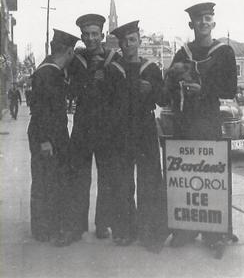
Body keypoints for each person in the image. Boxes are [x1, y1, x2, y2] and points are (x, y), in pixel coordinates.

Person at [165, 2, 237, 247]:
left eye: (208, 18)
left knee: (211, 177)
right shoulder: (183, 52)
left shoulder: (224, 52)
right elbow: (168, 86)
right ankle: (186, 230)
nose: (204, 23)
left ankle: (216, 232)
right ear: (191, 24)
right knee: (186, 175)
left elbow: (230, 89)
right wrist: (175, 81)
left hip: (208, 120)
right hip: (185, 120)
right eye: (199, 19)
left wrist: (203, 89)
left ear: (213, 23)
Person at [106, 20, 168, 251]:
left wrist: (151, 89)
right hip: (120, 129)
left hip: (144, 127)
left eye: (132, 39)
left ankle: (151, 233)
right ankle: (125, 230)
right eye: (124, 41)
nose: (128, 44)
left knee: (150, 179)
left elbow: (164, 98)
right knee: (122, 181)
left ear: (139, 41)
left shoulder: (151, 68)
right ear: (119, 44)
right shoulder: (113, 69)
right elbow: (106, 101)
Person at [68, 13, 118, 241]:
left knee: (107, 176)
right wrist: (91, 75)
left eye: (95, 34)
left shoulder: (113, 59)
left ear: (102, 35)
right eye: (86, 35)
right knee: (79, 176)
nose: (91, 39)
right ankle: (77, 224)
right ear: (81, 36)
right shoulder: (76, 61)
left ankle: (103, 223)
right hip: (83, 124)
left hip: (106, 126)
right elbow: (73, 90)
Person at [28, 29, 79, 245]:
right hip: (48, 136)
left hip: (48, 134)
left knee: (45, 181)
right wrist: (45, 140)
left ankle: (43, 228)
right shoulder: (50, 74)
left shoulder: (46, 70)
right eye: (72, 53)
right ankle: (45, 229)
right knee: (48, 182)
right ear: (68, 51)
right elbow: (42, 110)